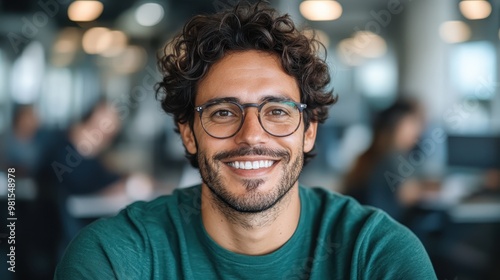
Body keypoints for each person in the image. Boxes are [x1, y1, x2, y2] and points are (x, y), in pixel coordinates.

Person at [55, 2, 437, 279]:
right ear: (189, 133)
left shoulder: (379, 256)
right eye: (223, 112)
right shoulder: (113, 260)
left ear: (309, 132)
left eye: (277, 111)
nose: (252, 134)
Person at [342, 99, 425, 223]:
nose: (417, 131)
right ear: (398, 126)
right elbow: (407, 194)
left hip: (363, 226)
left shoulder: (370, 154)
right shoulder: (393, 157)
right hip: (384, 228)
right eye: (412, 124)